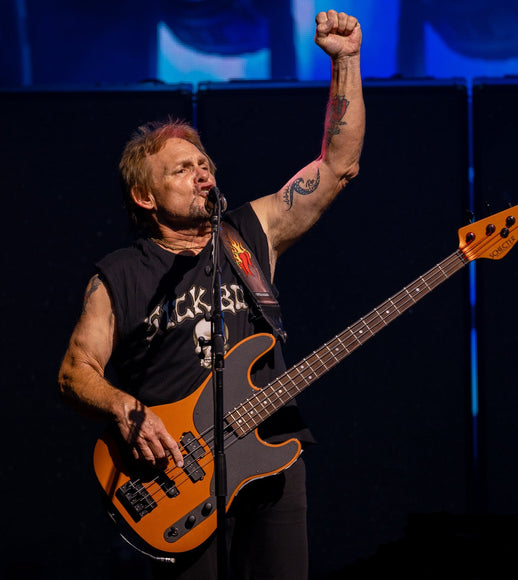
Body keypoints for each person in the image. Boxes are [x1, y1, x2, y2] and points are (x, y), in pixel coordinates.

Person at [58, 9, 364, 580]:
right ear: (145, 197)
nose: (202, 174)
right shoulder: (121, 274)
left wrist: (345, 60)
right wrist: (125, 407)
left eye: (204, 164)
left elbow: (338, 165)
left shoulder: (251, 234)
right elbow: (76, 372)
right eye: (181, 169)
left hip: (271, 453)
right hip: (175, 478)